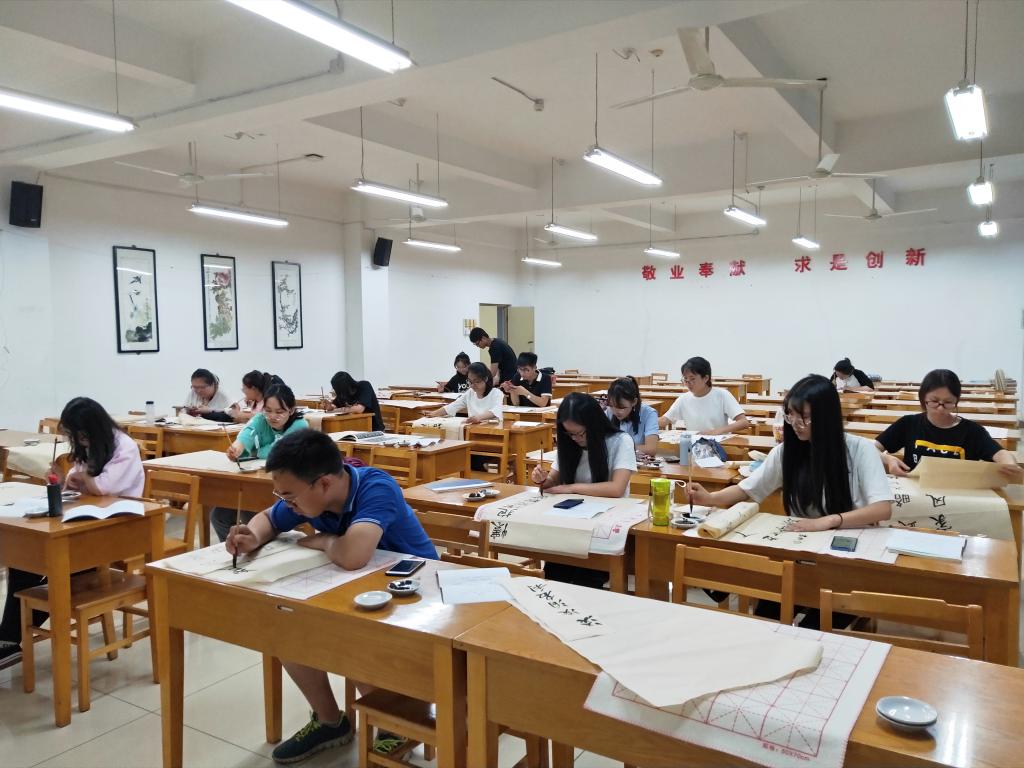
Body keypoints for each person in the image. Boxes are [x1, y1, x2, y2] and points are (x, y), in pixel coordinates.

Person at [226, 430, 436, 762]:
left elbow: (353, 555)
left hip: (417, 592)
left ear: (324, 483)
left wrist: (325, 541)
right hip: (359, 585)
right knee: (284, 625)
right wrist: (253, 536)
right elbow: (268, 518)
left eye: (289, 496)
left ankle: (394, 725)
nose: (287, 503)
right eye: (281, 495)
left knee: (348, 637)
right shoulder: (309, 494)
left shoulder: (376, 487)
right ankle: (330, 721)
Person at [687, 375, 893, 627]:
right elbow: (747, 488)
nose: (796, 424)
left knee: (814, 627)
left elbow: (882, 508)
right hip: (801, 555)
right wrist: (710, 498)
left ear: (827, 417)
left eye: (804, 417)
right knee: (766, 619)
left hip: (846, 561)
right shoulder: (787, 452)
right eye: (790, 415)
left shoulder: (860, 450)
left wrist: (828, 521)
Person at [0, 397, 145, 670]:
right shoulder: (89, 444)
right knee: (25, 561)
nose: (78, 440)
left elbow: (102, 487)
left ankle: (9, 637)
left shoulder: (124, 446)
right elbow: (76, 484)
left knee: (59, 568)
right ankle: (8, 639)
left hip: (118, 528)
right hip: (85, 523)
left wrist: (82, 478)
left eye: (79, 434)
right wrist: (60, 479)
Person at [531, 393, 637, 588]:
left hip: (605, 527)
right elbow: (553, 480)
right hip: (571, 525)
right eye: (570, 434)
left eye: (581, 433)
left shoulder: (620, 441)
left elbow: (617, 488)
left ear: (594, 424)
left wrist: (571, 488)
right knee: (553, 577)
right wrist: (542, 479)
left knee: (586, 581)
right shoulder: (569, 443)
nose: (577, 439)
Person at [874, 368, 1023, 481]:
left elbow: (1000, 453)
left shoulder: (972, 431)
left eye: (948, 402)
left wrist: (1009, 464)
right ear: (923, 398)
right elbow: (872, 448)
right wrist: (888, 459)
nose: (940, 408)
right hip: (917, 495)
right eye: (934, 401)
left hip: (958, 497)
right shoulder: (908, 424)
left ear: (956, 401)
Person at [212, 384, 310, 541]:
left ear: (291, 410)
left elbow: (278, 451)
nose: (272, 416)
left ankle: (257, 545)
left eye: (279, 412)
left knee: (252, 515)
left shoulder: (300, 425)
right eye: (268, 410)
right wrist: (237, 448)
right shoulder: (260, 419)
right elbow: (247, 434)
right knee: (219, 516)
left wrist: (255, 452)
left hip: (285, 486)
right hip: (255, 479)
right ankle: (235, 549)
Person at [658, 357, 750, 435]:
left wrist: (716, 431)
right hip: (694, 444)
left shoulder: (722, 395)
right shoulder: (683, 399)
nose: (688, 383)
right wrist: (649, 419)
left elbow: (743, 422)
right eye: (685, 379)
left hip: (718, 443)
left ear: (706, 378)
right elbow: (665, 420)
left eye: (692, 379)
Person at [427, 362, 503, 426]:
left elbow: (495, 411)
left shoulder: (496, 393)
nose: (472, 385)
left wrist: (478, 418)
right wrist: (434, 413)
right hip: (473, 428)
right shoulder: (470, 393)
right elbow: (454, 405)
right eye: (470, 381)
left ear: (485, 379)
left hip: (492, 429)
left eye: (476, 381)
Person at [605, 376, 659, 456]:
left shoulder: (649, 413)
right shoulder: (608, 412)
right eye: (612, 406)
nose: (616, 411)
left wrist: (616, 447)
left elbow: (651, 449)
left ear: (634, 402)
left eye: (622, 407)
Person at [319, 371, 384, 432]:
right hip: (354, 426)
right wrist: (329, 407)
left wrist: (335, 410)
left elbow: (359, 409)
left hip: (373, 428)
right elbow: (335, 405)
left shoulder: (364, 386)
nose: (338, 392)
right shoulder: (343, 393)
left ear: (346, 386)